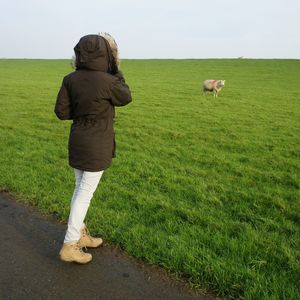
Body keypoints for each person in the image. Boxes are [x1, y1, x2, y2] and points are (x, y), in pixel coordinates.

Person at [54, 33, 132, 264]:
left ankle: (80, 235)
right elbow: (126, 97)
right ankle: (70, 244)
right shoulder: (108, 81)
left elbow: (62, 112)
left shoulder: (70, 79)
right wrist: (115, 69)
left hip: (77, 139)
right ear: (106, 54)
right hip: (97, 143)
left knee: (80, 189)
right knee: (85, 194)